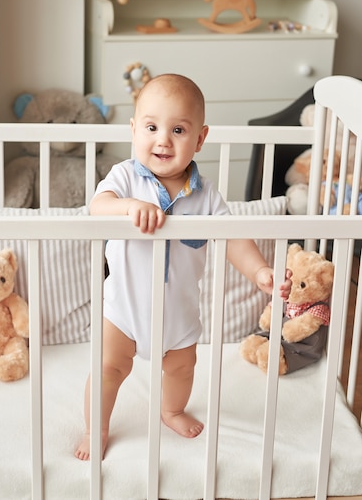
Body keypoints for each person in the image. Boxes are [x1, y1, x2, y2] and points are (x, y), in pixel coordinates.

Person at [74, 73, 291, 460]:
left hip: (178, 318)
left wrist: (260, 271)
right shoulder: (125, 177)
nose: (163, 140)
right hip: (123, 312)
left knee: (182, 369)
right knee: (107, 371)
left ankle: (171, 410)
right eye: (152, 127)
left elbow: (233, 239)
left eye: (178, 130)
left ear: (200, 139)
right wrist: (129, 207)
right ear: (133, 130)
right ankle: (97, 428)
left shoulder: (206, 194)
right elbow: (97, 206)